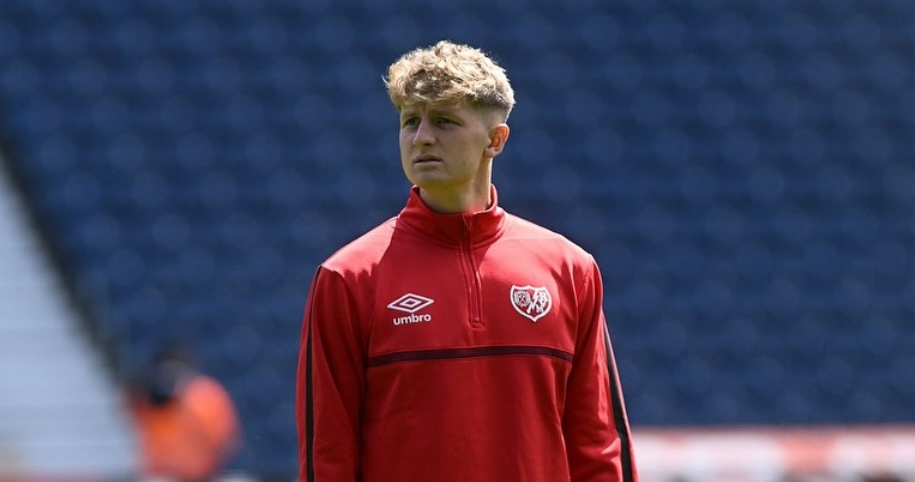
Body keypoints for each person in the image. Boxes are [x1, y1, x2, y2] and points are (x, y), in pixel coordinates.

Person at [296, 40, 638, 482]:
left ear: (495, 140)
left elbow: (599, 443)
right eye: (410, 121)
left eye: (444, 121)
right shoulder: (347, 278)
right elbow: (327, 455)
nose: (421, 137)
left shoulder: (570, 270)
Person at [128, 344, 241, 481]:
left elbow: (225, 442)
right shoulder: (144, 398)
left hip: (206, 474)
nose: (169, 379)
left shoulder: (205, 395)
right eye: (165, 373)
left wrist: (186, 400)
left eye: (176, 372)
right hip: (164, 474)